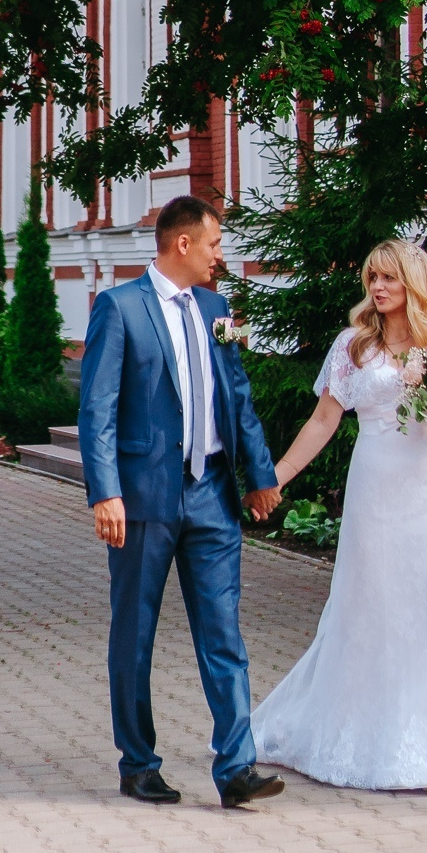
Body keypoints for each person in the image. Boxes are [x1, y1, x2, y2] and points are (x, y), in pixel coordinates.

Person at [250, 238, 427, 791]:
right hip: (376, 492)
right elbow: (323, 420)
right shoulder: (352, 347)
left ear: (414, 284)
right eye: (372, 279)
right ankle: (364, 741)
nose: (379, 288)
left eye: (389, 278)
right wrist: (276, 474)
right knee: (369, 610)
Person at [78, 195, 285, 809]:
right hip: (144, 499)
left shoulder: (219, 309)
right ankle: (138, 763)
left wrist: (260, 475)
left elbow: (238, 399)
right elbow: (97, 410)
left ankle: (237, 769)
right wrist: (105, 491)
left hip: (212, 496)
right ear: (184, 243)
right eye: (216, 244)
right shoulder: (120, 308)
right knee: (134, 634)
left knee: (224, 635)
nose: (222, 256)